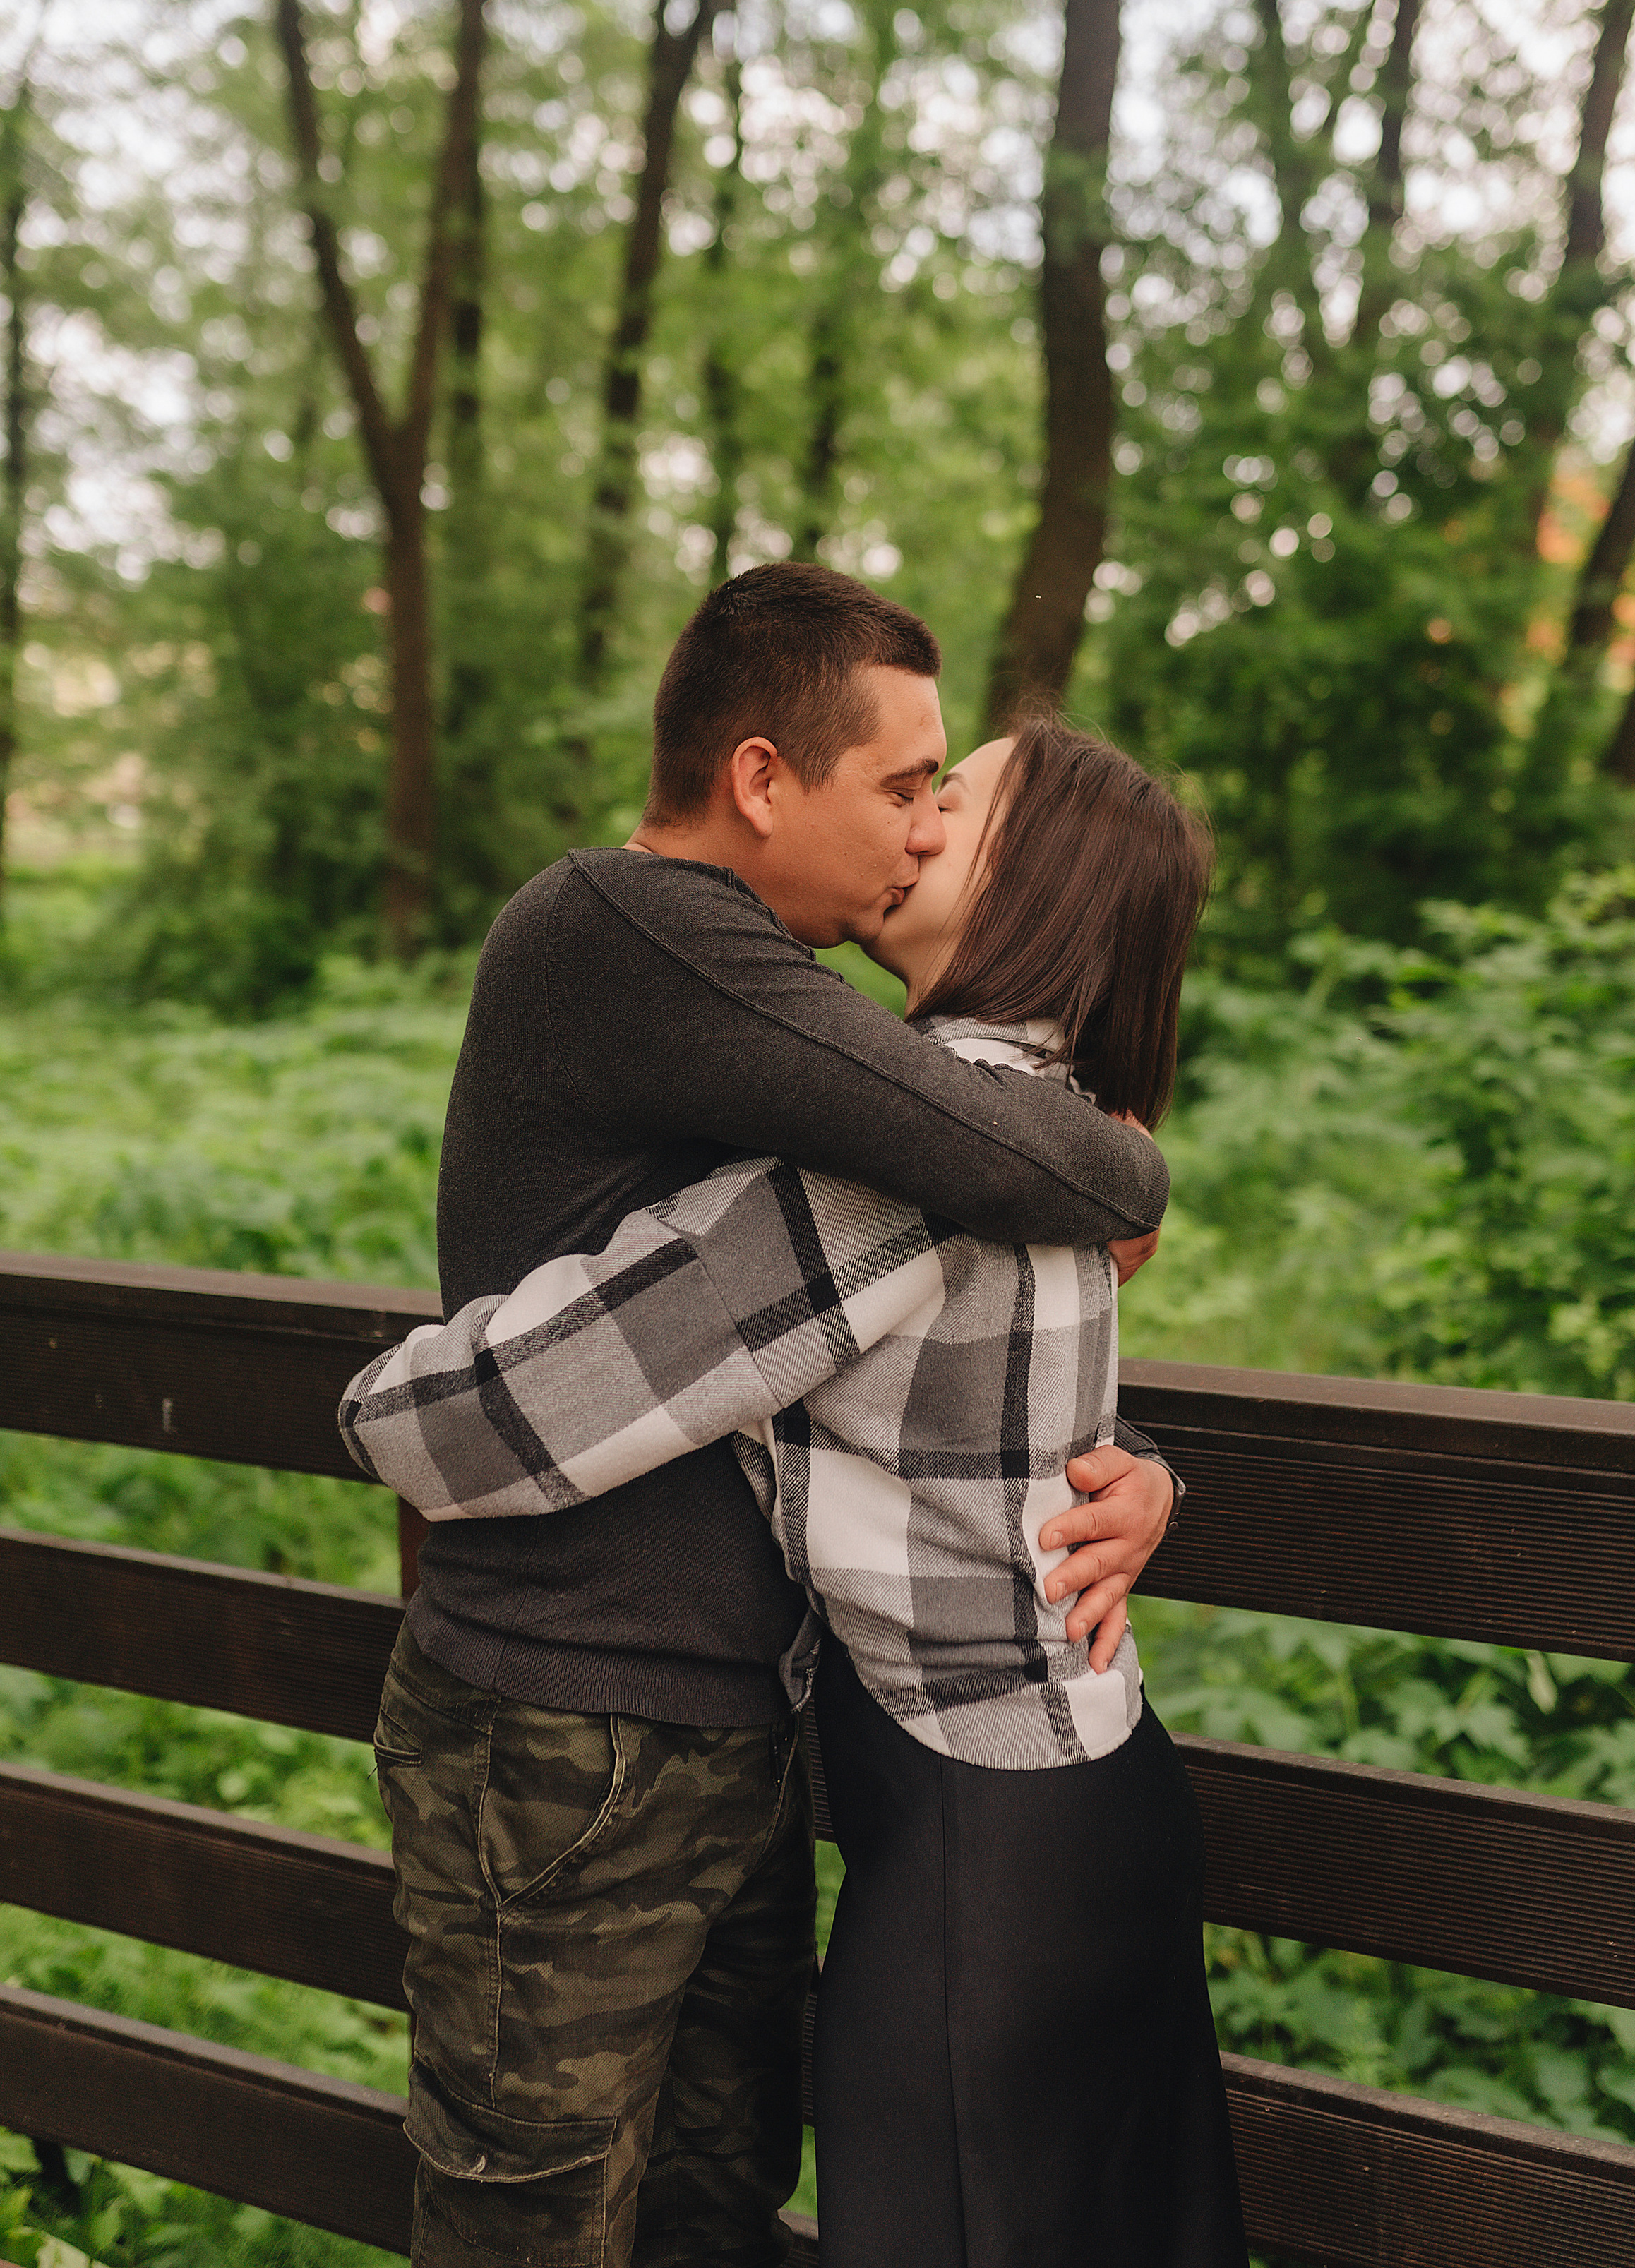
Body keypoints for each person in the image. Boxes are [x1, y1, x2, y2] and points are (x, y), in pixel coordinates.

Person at [347, 714, 1248, 2268]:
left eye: (947, 800)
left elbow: (531, 1408)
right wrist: (1151, 1470)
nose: (911, 826)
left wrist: (370, 1403)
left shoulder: (905, 1164)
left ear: (1033, 879)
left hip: (979, 1844)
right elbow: (1013, 1413)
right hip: (1086, 1798)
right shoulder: (1041, 1128)